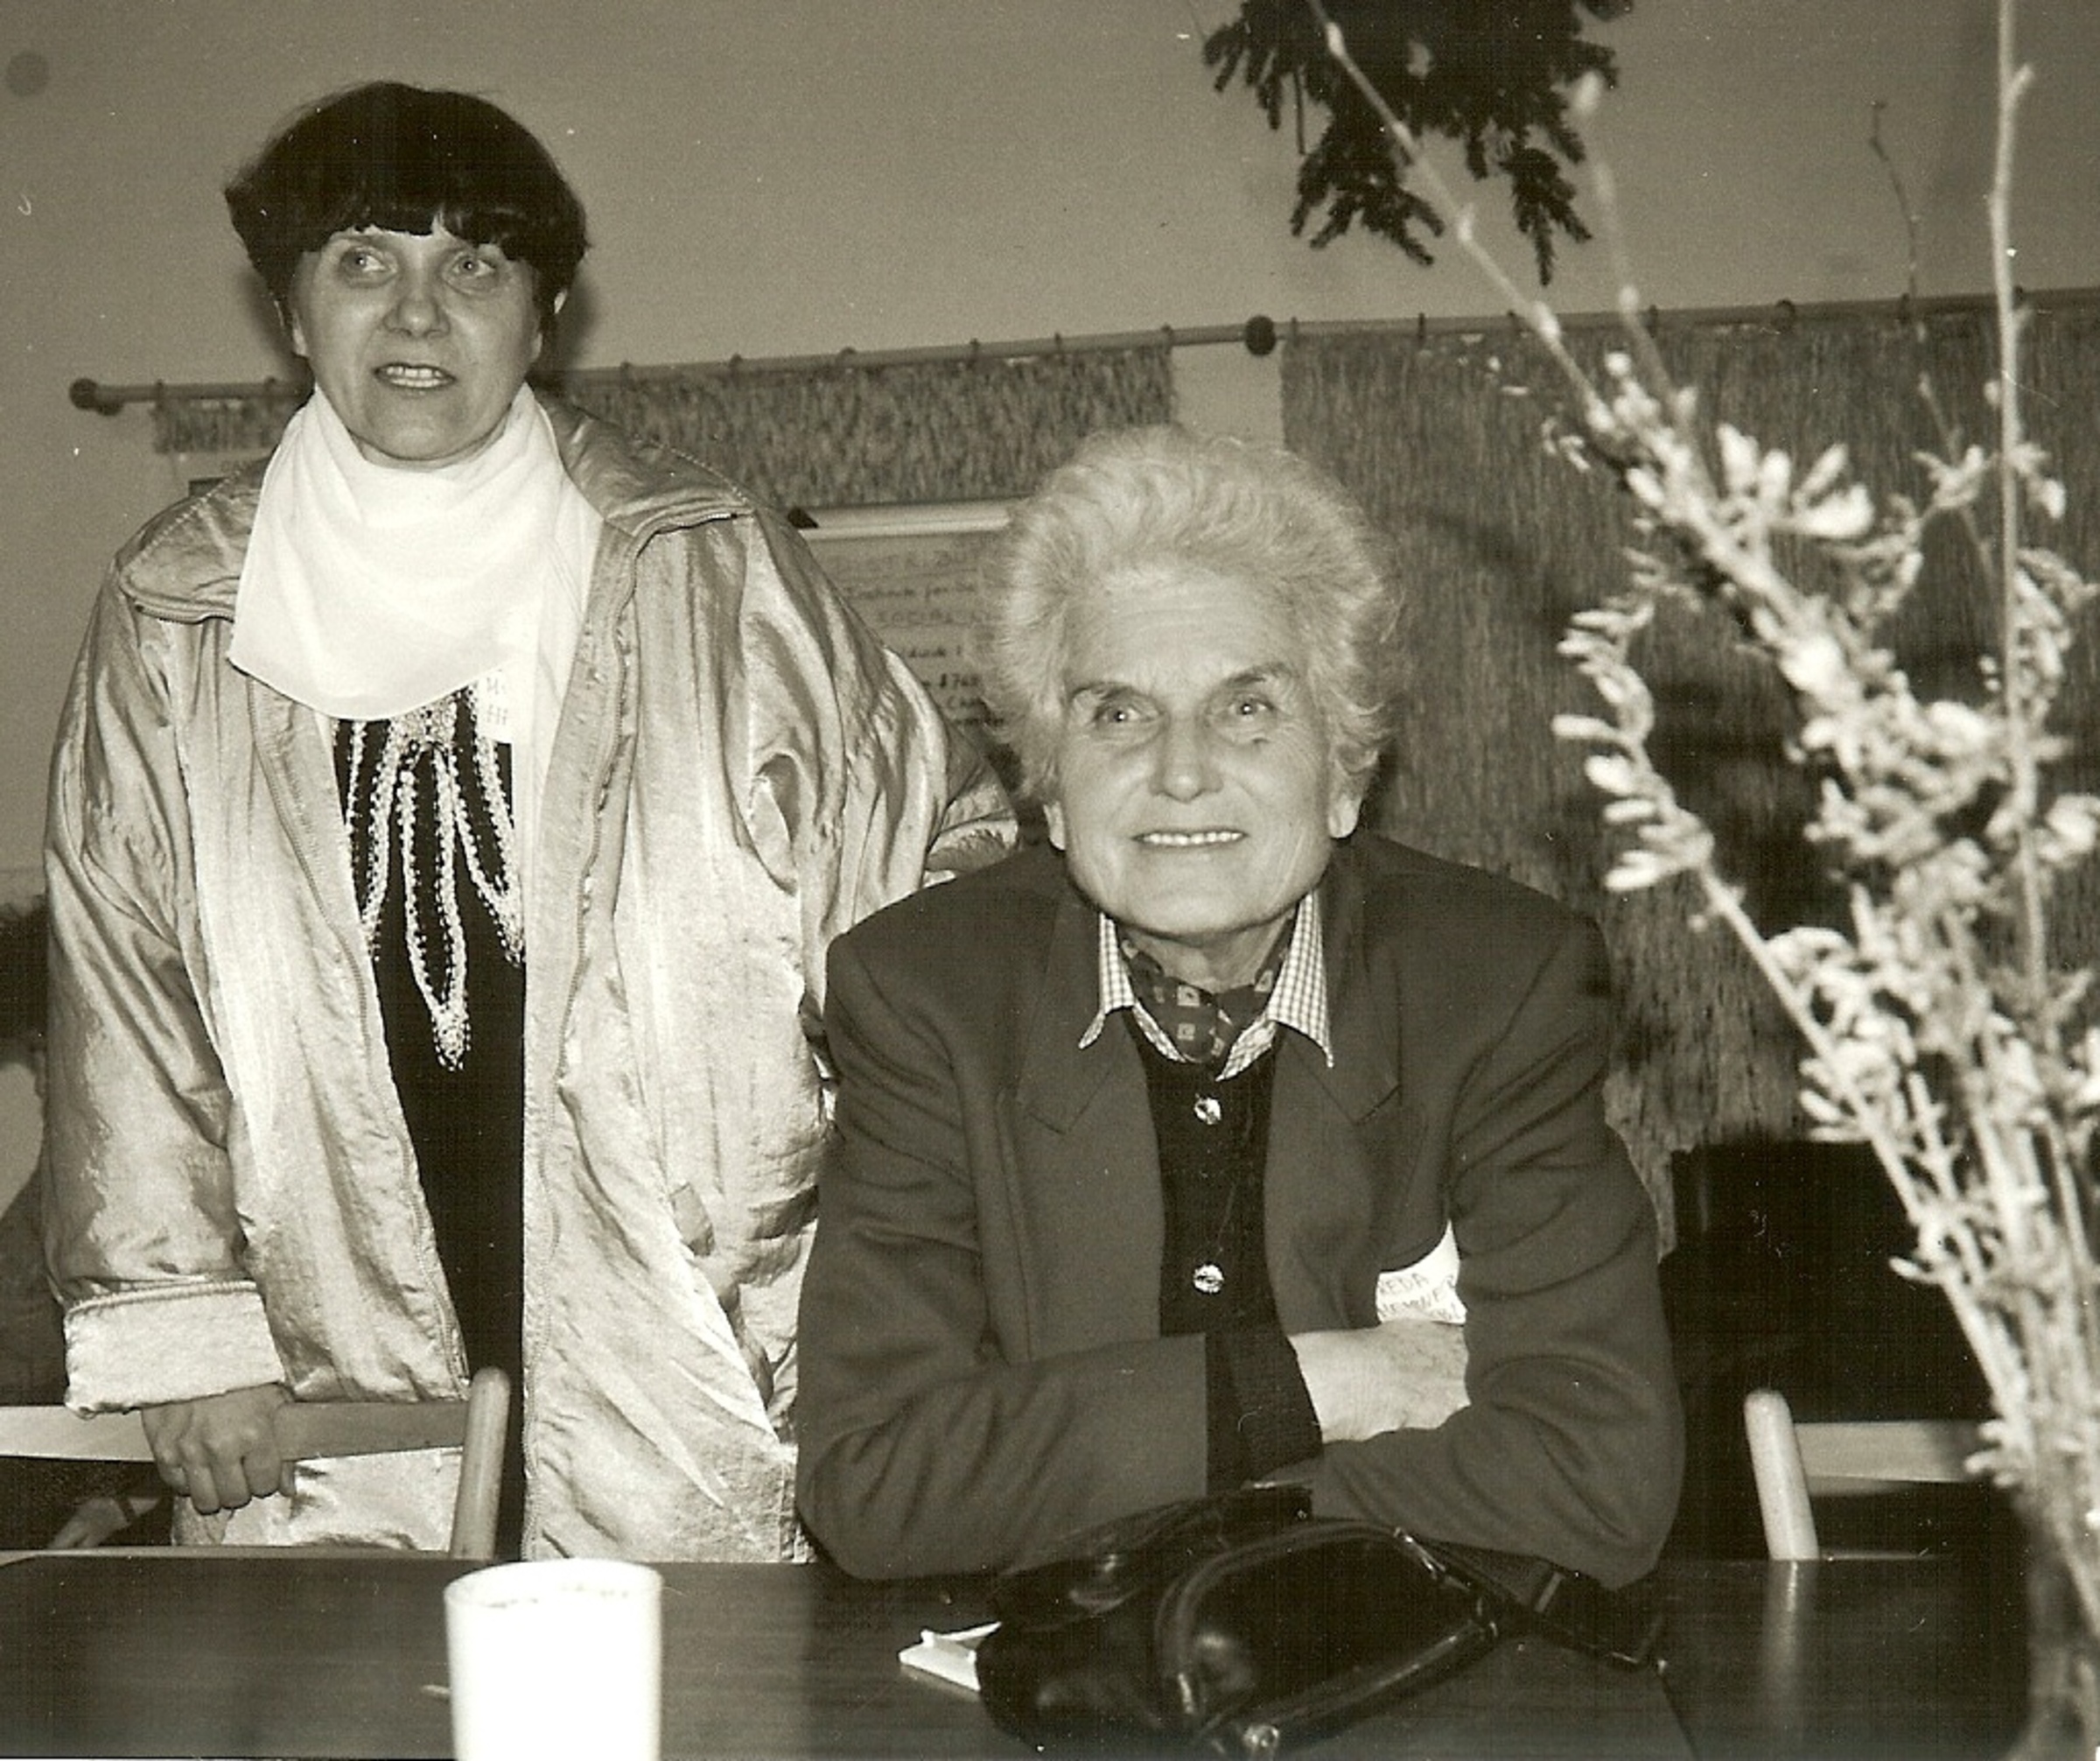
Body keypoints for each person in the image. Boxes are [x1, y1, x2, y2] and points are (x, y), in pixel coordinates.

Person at [42, 81, 1010, 1560]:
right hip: (322, 1337)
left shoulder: (712, 564)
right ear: (292, 310)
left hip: (696, 1318)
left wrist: (906, 1264)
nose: (418, 314)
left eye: (475, 266)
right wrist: (184, 1330)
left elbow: (930, 892)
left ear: (543, 318)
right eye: (365, 260)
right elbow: (125, 979)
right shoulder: (177, 607)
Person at [795, 424, 1682, 1586]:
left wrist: (1125, 1501)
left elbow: (1598, 1477)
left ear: (1345, 775)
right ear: (1052, 791)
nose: (1180, 771)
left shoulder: (1497, 985)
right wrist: (1332, 1384)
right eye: (1119, 716)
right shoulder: (927, 997)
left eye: (1248, 709)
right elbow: (876, 1484)